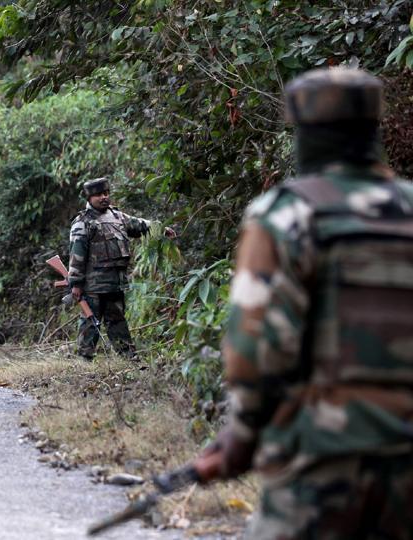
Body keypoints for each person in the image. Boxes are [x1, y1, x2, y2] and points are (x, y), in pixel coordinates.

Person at [190, 67, 413, 538]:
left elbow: (255, 352)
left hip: (322, 460)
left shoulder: (288, 214)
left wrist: (241, 437)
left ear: (304, 132)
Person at [67, 177, 175, 360]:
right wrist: (76, 283)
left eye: (106, 193)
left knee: (117, 321)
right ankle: (84, 359)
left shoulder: (118, 217)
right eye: (99, 194)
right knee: (90, 322)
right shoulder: (82, 222)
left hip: (115, 283)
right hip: (93, 286)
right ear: (89, 198)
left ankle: (128, 357)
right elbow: (77, 255)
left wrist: (161, 229)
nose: (104, 197)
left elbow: (141, 225)